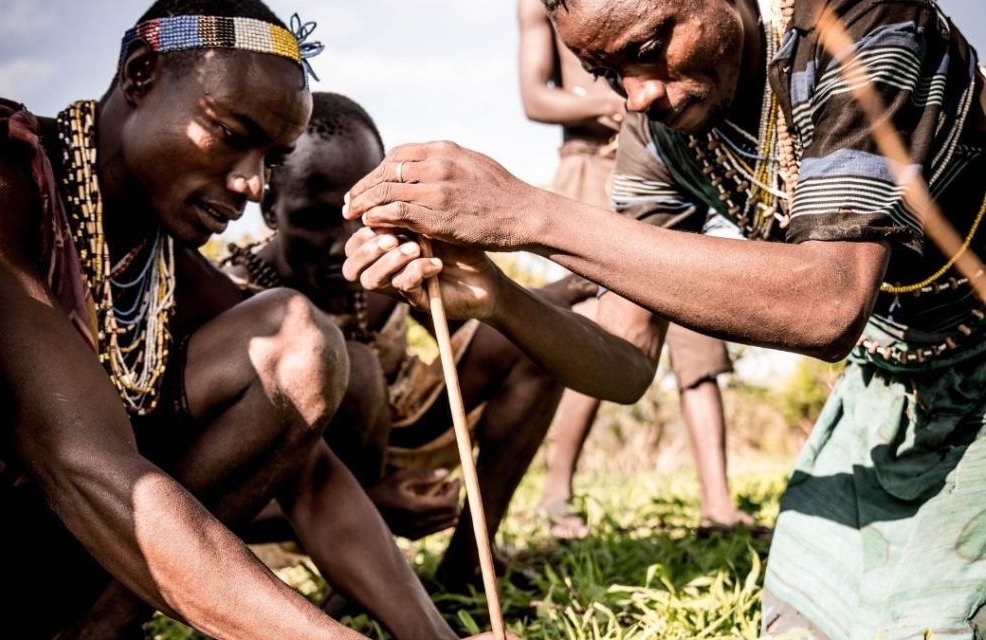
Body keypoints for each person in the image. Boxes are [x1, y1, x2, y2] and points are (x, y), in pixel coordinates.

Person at [341, 0, 986, 637]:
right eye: (606, 73)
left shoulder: (863, 22)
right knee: (807, 620)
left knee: (930, 623)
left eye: (648, 49)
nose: (636, 94)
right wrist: (500, 297)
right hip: (895, 388)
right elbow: (625, 364)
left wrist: (529, 215)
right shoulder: (657, 137)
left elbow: (828, 305)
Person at [0, 2, 477, 638]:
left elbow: (311, 475)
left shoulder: (165, 267)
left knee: (298, 343)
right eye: (234, 135)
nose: (254, 185)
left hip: (46, 573)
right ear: (141, 74)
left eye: (270, 159)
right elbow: (76, 456)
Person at [224, 91, 594, 590]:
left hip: (404, 428)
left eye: (356, 215)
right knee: (352, 370)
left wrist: (565, 290)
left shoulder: (383, 261)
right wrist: (372, 500)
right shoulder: (232, 299)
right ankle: (357, 580)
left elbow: (477, 329)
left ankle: (469, 562)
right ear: (270, 207)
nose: (340, 243)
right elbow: (209, 488)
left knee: (528, 347)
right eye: (313, 219)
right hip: (296, 483)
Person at [517, 0, 748, 539]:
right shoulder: (537, 5)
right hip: (592, 167)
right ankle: (557, 493)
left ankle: (718, 506)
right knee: (601, 328)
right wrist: (611, 96)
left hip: (674, 155)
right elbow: (534, 97)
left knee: (697, 325)